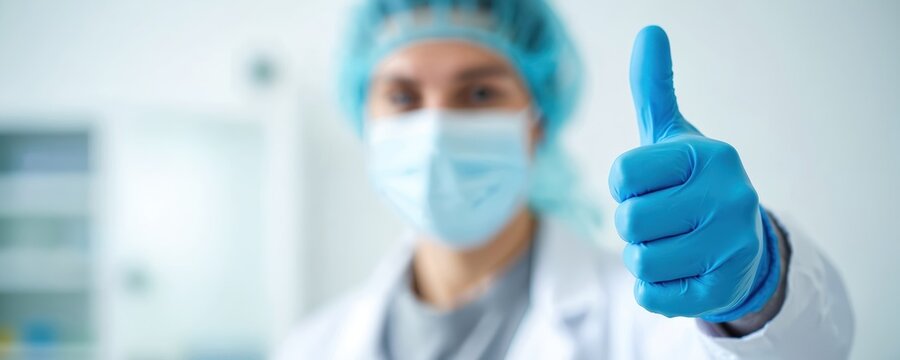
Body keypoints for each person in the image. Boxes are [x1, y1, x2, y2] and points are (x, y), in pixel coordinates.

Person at [277, 0, 854, 358]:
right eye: (402, 96)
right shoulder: (310, 348)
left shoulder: (646, 326)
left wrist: (757, 291)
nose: (435, 128)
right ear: (364, 119)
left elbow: (800, 352)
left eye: (479, 93)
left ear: (536, 122)